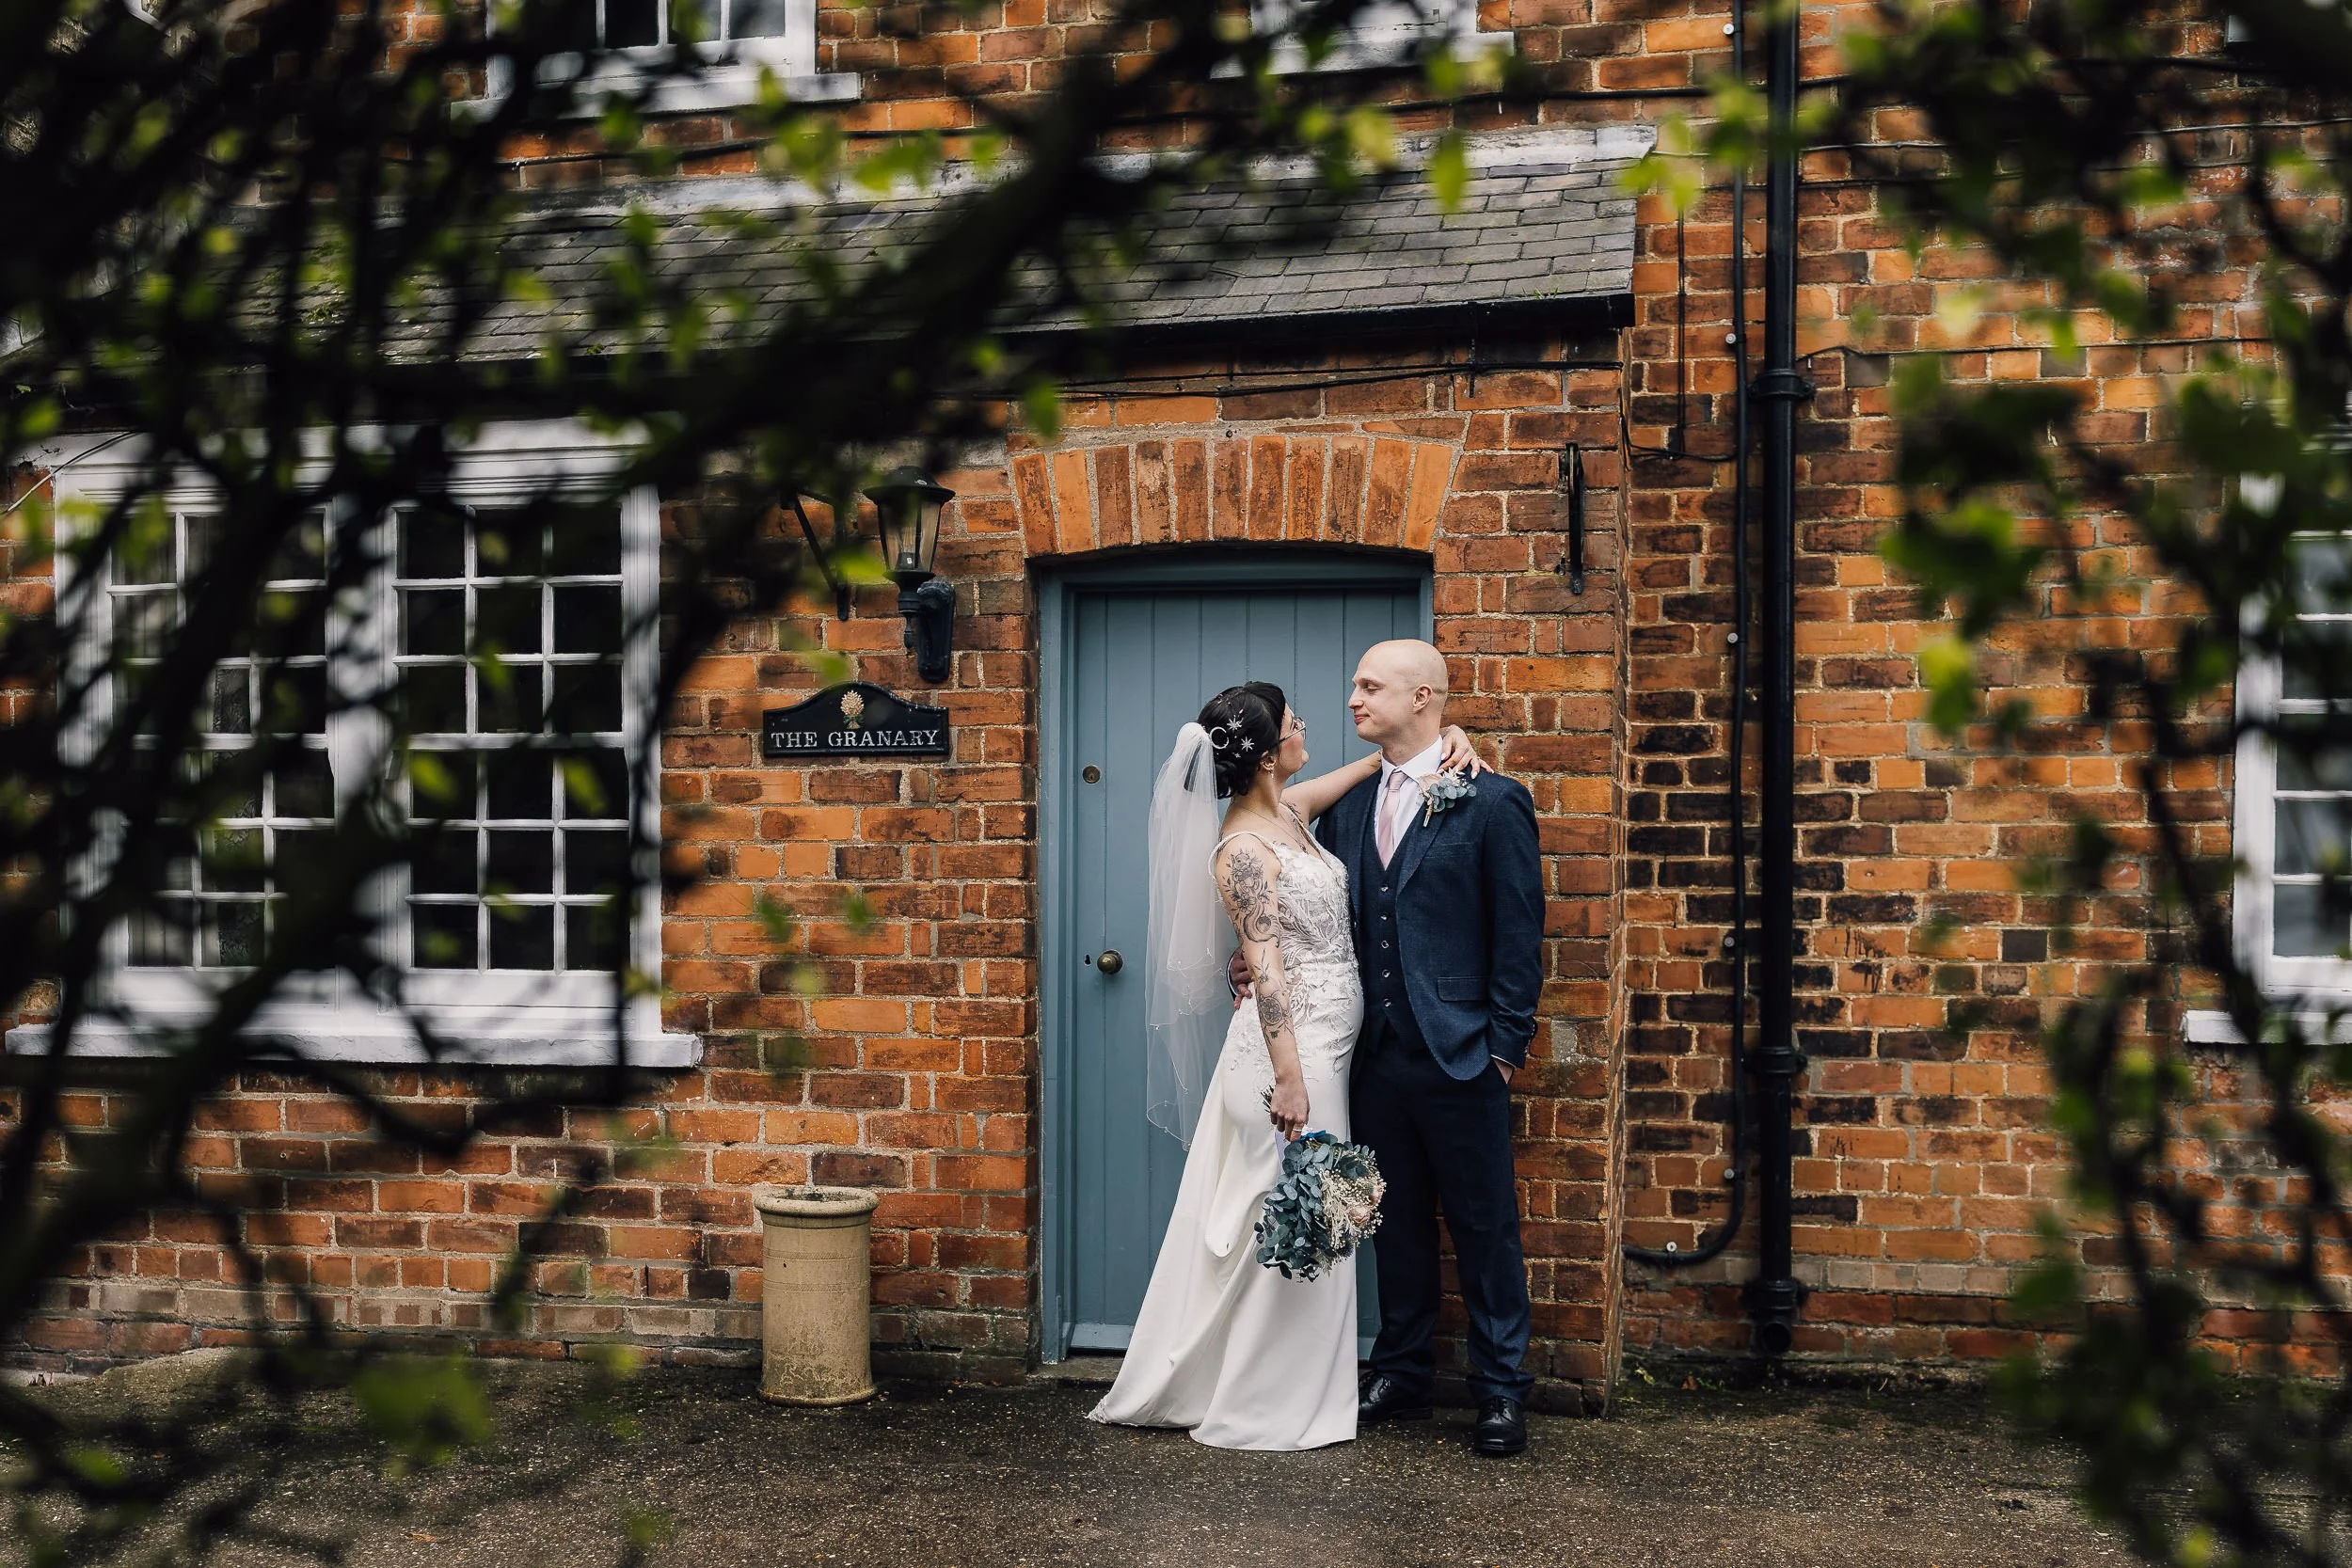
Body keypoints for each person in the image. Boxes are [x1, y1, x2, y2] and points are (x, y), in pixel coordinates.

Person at [1088, 680, 1483, 1450]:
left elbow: (1373, 768)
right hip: (1287, 1058)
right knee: (1306, 1217)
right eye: (1295, 724)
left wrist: (1451, 737)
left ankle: (1286, 1386)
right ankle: (1270, 1401)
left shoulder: (1291, 813)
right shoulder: (1243, 848)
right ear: (1269, 756)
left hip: (1328, 1044)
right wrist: (1292, 1077)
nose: (1310, 728)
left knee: (1299, 1216)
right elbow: (1265, 969)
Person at [1312, 639, 1546, 1458]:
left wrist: (1504, 1048)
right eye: (1355, 682)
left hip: (1463, 1054)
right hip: (1373, 1057)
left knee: (1486, 1229)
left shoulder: (1492, 801)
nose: (1353, 697)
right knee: (1393, 1222)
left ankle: (1499, 1389)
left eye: (1370, 685)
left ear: (1425, 698)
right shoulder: (1345, 806)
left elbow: (1519, 935)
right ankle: (1404, 1369)